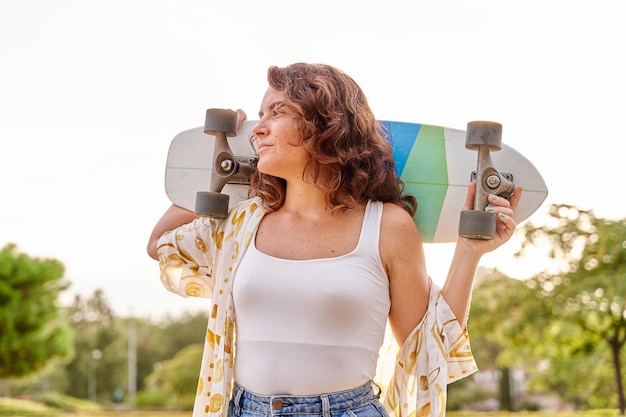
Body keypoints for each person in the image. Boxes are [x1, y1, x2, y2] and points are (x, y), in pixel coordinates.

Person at [147, 63, 522, 417]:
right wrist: (214, 157)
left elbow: (426, 347)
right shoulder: (244, 221)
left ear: (325, 124)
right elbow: (161, 244)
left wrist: (470, 250)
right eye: (259, 117)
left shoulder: (387, 226)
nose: (259, 128)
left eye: (276, 112)